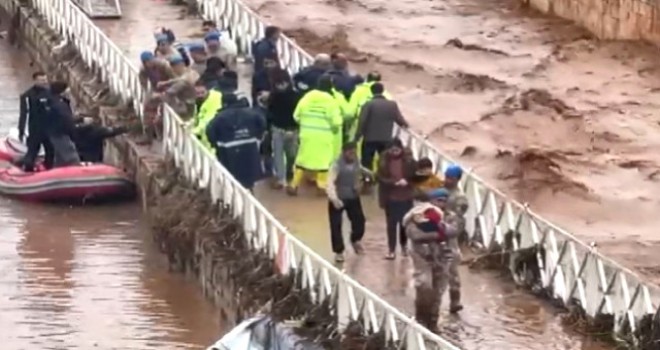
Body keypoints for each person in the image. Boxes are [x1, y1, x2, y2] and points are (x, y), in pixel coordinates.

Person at [403, 187, 460, 332]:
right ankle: (421, 319)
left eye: (444, 200)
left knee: (438, 290)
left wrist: (437, 229)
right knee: (424, 286)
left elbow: (454, 230)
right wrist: (438, 234)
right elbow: (414, 235)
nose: (441, 203)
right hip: (422, 258)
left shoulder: (445, 216)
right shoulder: (413, 217)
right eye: (438, 200)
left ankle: (433, 322)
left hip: (442, 258)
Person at [287, 75, 342, 195]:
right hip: (324, 136)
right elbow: (337, 122)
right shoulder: (331, 101)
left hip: (306, 135)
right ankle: (321, 186)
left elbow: (296, 116)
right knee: (323, 161)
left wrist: (305, 123)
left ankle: (294, 185)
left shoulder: (307, 97)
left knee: (302, 160)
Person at [206, 92, 267, 191]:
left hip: (228, 150)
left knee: (231, 179)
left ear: (223, 103)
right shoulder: (250, 112)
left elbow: (210, 131)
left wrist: (215, 144)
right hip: (249, 147)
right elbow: (262, 122)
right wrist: (257, 136)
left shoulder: (220, 117)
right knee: (248, 178)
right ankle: (249, 193)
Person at [326, 142, 367, 263]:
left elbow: (360, 170)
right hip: (338, 198)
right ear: (343, 153)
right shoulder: (336, 165)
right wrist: (334, 199)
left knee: (360, 220)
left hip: (353, 196)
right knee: (336, 225)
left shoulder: (356, 161)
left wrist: (369, 175)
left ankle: (355, 239)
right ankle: (339, 252)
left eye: (354, 152)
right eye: (350, 152)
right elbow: (329, 183)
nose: (352, 155)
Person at [354, 82, 408, 172]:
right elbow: (400, 120)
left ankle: (367, 180)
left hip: (369, 139)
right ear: (383, 91)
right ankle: (382, 179)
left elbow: (362, 121)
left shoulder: (368, 104)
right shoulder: (392, 105)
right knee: (385, 162)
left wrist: (358, 136)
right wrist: (406, 125)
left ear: (371, 92)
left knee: (367, 162)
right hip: (386, 139)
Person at [377, 138, 416, 259]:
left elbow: (417, 176)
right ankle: (391, 249)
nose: (394, 152)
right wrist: (393, 182)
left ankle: (404, 246)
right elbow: (379, 177)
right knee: (391, 225)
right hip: (390, 198)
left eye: (397, 150)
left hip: (406, 197)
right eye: (392, 150)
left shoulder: (410, 160)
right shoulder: (383, 160)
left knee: (404, 223)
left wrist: (407, 181)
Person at [267, 69, 300, 189]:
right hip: (284, 129)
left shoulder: (274, 96)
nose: (281, 86)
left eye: (283, 83)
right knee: (282, 154)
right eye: (279, 83)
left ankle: (285, 175)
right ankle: (283, 177)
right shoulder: (295, 95)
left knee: (286, 154)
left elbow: (269, 112)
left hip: (285, 128)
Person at [443, 165, 469, 313]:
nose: (447, 180)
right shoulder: (439, 190)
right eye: (446, 177)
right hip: (434, 234)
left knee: (452, 271)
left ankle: (455, 300)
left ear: (457, 180)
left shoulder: (460, 198)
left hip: (449, 237)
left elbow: (459, 218)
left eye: (450, 178)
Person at [19, 71, 55, 171]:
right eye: (41, 80)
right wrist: (22, 131)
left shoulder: (50, 94)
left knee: (50, 151)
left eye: (45, 80)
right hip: (34, 129)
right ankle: (27, 170)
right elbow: (24, 115)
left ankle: (49, 170)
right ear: (35, 81)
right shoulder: (27, 96)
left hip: (48, 130)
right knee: (32, 152)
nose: (44, 82)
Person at [45, 81, 81, 167]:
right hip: (61, 134)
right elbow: (66, 119)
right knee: (72, 157)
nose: (69, 91)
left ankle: (57, 173)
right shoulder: (60, 104)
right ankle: (77, 174)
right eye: (67, 89)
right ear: (62, 91)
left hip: (55, 133)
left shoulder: (53, 101)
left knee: (60, 158)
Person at [157, 54, 200, 118]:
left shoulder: (183, 81)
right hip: (197, 101)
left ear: (180, 65)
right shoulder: (191, 72)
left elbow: (169, 93)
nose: (172, 69)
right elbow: (180, 79)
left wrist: (157, 96)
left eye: (173, 66)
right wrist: (166, 83)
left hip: (190, 106)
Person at [192, 80, 223, 151]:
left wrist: (195, 131)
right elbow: (197, 117)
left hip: (211, 138)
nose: (200, 95)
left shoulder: (214, 100)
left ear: (207, 90)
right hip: (204, 138)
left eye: (202, 92)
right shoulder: (198, 102)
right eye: (197, 93)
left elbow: (208, 119)